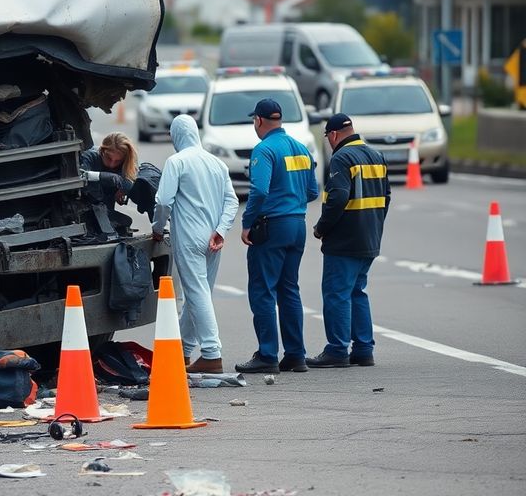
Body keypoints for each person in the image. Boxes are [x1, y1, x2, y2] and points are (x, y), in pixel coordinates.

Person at [235, 99, 319, 374]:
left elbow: (259, 190)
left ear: (258, 120)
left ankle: (268, 355)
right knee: (289, 289)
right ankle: (296, 355)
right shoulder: (301, 148)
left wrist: (247, 223)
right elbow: (313, 191)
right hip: (297, 224)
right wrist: (292, 201)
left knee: (262, 290)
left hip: (272, 226)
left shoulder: (264, 149)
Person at [151, 115, 238, 374]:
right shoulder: (217, 163)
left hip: (189, 238)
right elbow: (232, 202)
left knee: (196, 292)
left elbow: (164, 201)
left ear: (176, 135)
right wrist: (221, 230)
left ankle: (212, 353)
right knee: (198, 294)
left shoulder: (176, 162)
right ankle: (183, 349)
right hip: (213, 238)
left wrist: (157, 229)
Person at [308, 114, 390, 368]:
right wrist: (375, 225)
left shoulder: (342, 158)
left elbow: (339, 196)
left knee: (336, 294)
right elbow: (386, 196)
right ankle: (364, 349)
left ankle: (337, 349)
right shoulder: (376, 156)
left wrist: (322, 228)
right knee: (357, 291)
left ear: (332, 135)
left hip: (344, 239)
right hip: (369, 237)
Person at [80, 132, 140, 235]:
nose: (112, 164)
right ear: (102, 151)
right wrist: (104, 176)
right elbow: (81, 174)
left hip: (106, 212)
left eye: (117, 161)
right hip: (83, 210)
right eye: (108, 158)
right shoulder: (90, 156)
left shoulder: (126, 164)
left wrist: (123, 189)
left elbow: (130, 179)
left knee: (125, 222)